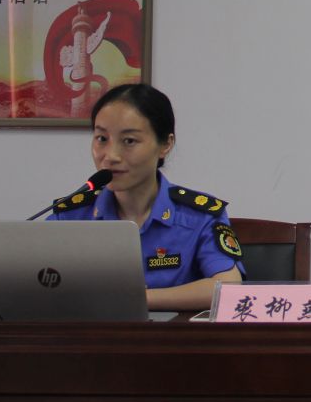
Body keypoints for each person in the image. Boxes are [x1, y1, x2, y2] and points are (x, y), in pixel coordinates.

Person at [49, 83, 244, 312]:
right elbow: (32, 282)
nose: (110, 156)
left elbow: (228, 286)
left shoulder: (199, 216)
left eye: (129, 141)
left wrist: (134, 298)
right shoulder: (70, 216)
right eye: (102, 138)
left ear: (165, 144)